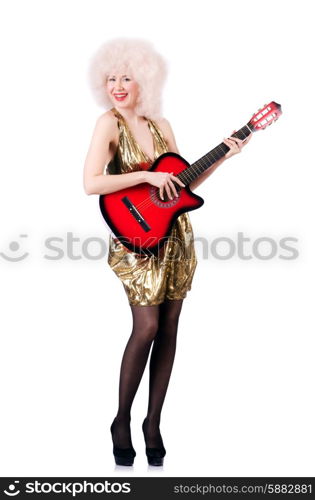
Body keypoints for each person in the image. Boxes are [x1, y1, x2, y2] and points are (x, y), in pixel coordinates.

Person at [83, 37, 252, 466]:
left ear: (146, 80)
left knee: (170, 328)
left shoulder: (160, 123)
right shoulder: (108, 123)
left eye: (126, 77)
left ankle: (153, 421)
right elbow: (92, 183)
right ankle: (121, 420)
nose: (118, 86)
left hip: (174, 237)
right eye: (111, 78)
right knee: (147, 327)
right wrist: (145, 179)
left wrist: (223, 157)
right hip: (135, 240)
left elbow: (181, 187)